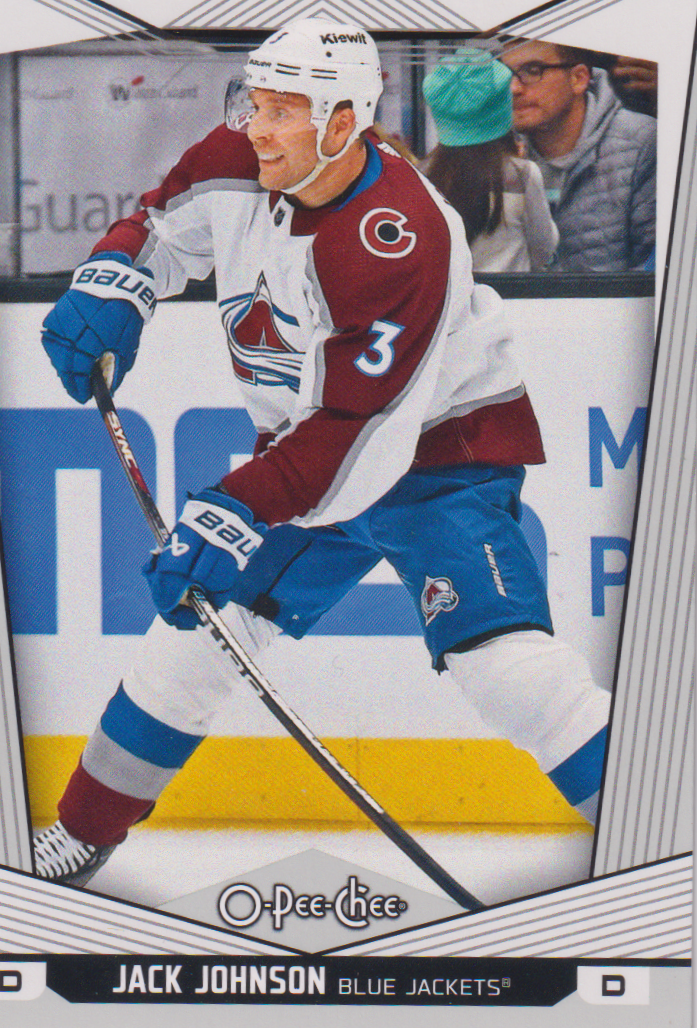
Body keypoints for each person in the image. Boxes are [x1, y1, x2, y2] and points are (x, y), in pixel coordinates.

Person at [34, 17, 611, 888]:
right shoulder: (239, 155)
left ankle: (659, 830)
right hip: (309, 450)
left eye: (283, 111)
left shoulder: (398, 236)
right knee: (196, 635)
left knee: (507, 672)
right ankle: (81, 834)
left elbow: (356, 431)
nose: (256, 127)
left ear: (344, 122)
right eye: (253, 102)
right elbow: (160, 224)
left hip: (438, 462)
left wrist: (235, 509)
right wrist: (117, 281)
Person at [501, 39, 656, 272]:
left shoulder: (641, 141)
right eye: (505, 74)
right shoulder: (498, 154)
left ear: (578, 78)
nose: (514, 88)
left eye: (532, 71)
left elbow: (657, 271)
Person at [422, 48, 558, 272]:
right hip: (511, 294)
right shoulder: (523, 173)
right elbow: (544, 248)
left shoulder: (421, 175)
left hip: (449, 295)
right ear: (502, 110)